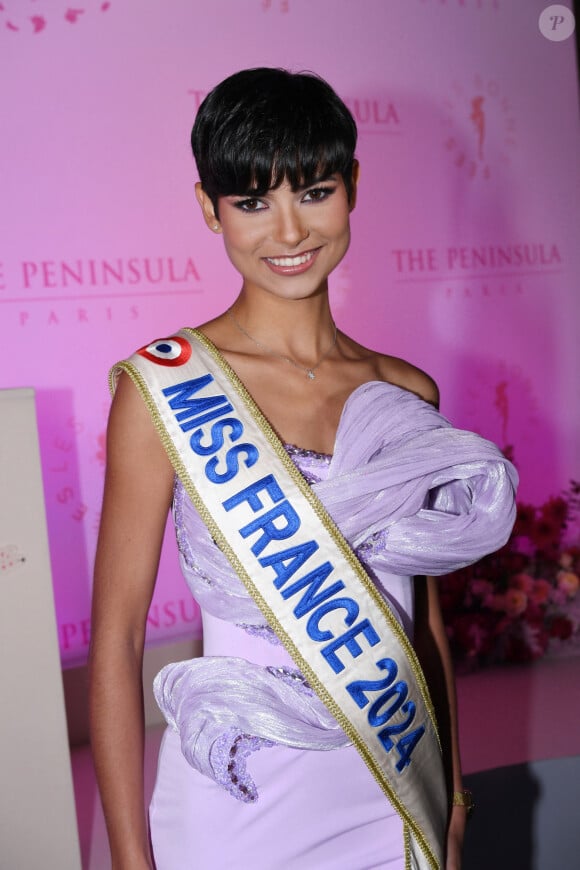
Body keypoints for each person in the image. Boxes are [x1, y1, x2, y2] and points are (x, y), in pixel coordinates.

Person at [89, 68, 517, 870]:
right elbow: (115, 640)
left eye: (314, 191)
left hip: (393, 795)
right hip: (237, 803)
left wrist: (451, 802)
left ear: (352, 187)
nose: (289, 231)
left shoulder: (403, 391)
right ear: (208, 209)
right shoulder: (166, 387)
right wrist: (126, 856)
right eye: (252, 202)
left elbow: (420, 623)